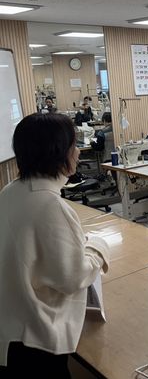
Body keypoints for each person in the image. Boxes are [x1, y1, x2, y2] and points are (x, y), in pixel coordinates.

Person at [0, 113, 109, 376]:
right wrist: (97, 248)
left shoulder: (10, 191)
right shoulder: (50, 205)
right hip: (35, 343)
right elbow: (73, 277)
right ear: (58, 153)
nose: (78, 153)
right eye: (74, 146)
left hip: (10, 329)